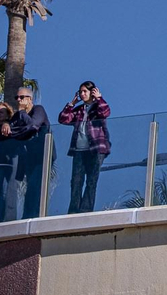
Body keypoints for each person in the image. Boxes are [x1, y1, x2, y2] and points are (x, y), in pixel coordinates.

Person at [58, 81, 112, 214]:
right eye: (80, 92)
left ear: (92, 92)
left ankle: (86, 210)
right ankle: (74, 210)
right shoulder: (79, 110)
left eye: (85, 91)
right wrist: (71, 104)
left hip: (96, 149)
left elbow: (105, 112)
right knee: (76, 181)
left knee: (91, 180)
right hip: (79, 150)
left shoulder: (97, 107)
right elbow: (63, 119)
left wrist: (99, 98)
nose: (82, 94)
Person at [12, 87, 52, 218]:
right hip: (29, 158)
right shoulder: (18, 115)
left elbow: (33, 126)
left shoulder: (38, 109)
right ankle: (28, 215)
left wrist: (22, 112)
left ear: (30, 99)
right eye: (17, 97)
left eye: (21, 97)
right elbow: (12, 132)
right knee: (30, 187)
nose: (18, 100)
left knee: (35, 188)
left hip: (42, 156)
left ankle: (33, 216)